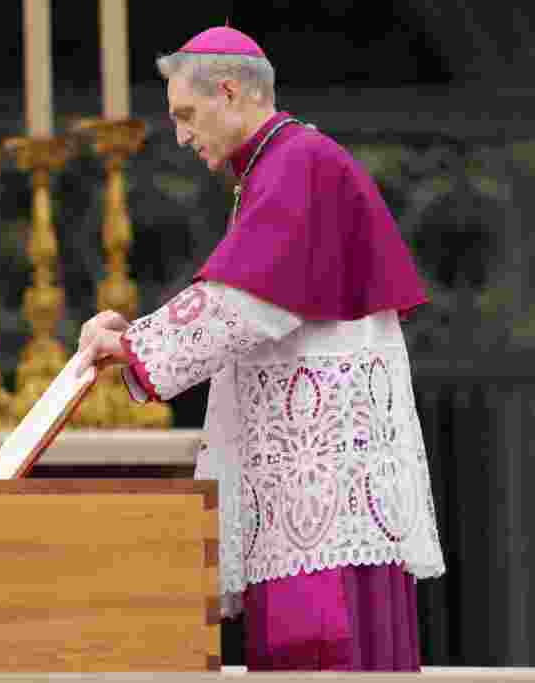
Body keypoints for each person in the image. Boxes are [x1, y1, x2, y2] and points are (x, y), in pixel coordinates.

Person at [78, 27, 445, 671]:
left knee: (323, 653)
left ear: (229, 91)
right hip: (308, 479)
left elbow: (247, 303)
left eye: (186, 115)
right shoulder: (279, 164)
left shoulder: (298, 162)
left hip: (322, 490)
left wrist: (130, 348)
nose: (182, 135)